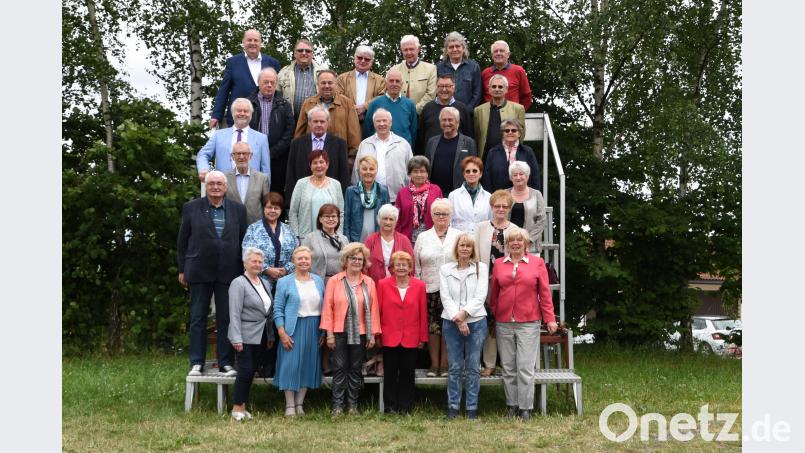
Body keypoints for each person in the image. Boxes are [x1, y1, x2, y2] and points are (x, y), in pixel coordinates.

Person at [177, 170, 247, 377]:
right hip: (199, 269)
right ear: (206, 187)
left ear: (225, 187)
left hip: (229, 271)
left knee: (226, 318)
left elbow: (244, 240)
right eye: (211, 184)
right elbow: (182, 241)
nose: (215, 187)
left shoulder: (238, 209)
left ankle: (225, 362)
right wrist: (182, 268)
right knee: (198, 317)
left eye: (219, 184)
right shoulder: (191, 208)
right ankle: (196, 362)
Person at [489, 227, 558, 421]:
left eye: (520, 241)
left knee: (525, 367)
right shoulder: (500, 264)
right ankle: (512, 405)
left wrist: (550, 318)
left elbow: (544, 293)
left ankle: (526, 408)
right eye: (512, 241)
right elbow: (494, 294)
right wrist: (493, 318)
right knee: (509, 367)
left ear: (526, 244)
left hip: (528, 321)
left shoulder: (537, 263)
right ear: (507, 244)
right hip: (503, 321)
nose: (516, 244)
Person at [320, 243, 382, 415]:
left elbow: (374, 309)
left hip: (361, 333)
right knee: (339, 368)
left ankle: (353, 405)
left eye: (359, 259)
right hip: (339, 332)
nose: (356, 261)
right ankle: (337, 406)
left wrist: (372, 336)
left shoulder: (368, 282)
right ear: (345, 260)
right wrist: (329, 334)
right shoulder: (335, 280)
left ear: (364, 263)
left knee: (355, 369)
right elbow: (328, 307)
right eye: (352, 258)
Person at [273, 246, 326, 417]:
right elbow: (278, 309)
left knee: (308, 365)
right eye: (300, 258)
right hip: (292, 328)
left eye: (307, 258)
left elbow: (325, 307)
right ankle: (289, 405)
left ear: (311, 261)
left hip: (314, 328)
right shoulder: (284, 282)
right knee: (290, 365)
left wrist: (324, 332)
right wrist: (282, 332)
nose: (303, 261)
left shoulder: (318, 281)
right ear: (293, 261)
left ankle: (300, 404)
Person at [439, 234, 488, 419]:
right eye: (462, 245)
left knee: (474, 366)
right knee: (455, 367)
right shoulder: (445, 269)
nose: (465, 249)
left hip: (476, 322)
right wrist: (458, 319)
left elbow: (480, 295)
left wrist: (464, 315)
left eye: (468, 246)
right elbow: (445, 297)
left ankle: (471, 408)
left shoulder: (480, 268)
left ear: (473, 249)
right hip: (451, 323)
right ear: (456, 248)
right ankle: (452, 407)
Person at [413, 198, 461, 377]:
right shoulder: (423, 237)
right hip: (429, 289)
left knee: (449, 327)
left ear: (451, 216)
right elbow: (416, 267)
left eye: (445, 214)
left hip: (453, 289)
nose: (441, 217)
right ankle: (434, 365)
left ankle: (445, 364)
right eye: (438, 213)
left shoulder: (458, 235)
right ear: (431, 215)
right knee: (433, 328)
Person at [473, 190, 519, 377]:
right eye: (497, 206)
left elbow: (518, 256)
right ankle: (489, 363)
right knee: (486, 323)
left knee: (505, 323)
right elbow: (475, 255)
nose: (500, 209)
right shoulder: (481, 227)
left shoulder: (515, 230)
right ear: (491, 207)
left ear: (509, 209)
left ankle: (509, 364)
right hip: (484, 282)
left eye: (504, 206)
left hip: (507, 283)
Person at [228, 247, 276, 421]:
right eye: (253, 261)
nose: (257, 264)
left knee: (252, 371)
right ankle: (236, 408)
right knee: (245, 370)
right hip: (245, 335)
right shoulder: (238, 283)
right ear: (245, 263)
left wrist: (270, 336)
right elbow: (234, 312)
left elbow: (268, 312)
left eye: (260, 262)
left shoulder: (265, 283)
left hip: (262, 335)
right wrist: (236, 338)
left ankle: (243, 407)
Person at [377, 251, 427, 414]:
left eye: (404, 264)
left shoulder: (419, 285)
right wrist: (377, 333)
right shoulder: (383, 284)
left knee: (407, 373)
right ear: (392, 267)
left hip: (411, 337)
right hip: (389, 335)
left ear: (410, 267)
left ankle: (405, 406)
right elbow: (378, 311)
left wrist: (422, 337)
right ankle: (390, 406)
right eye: (397, 264)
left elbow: (422, 313)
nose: (400, 267)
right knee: (390, 373)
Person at [210, 29, 281, 129]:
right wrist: (216, 115)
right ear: (243, 43)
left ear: (261, 43)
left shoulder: (273, 63)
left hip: (265, 119)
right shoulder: (233, 62)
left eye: (256, 40)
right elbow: (224, 90)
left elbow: (277, 91)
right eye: (249, 40)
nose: (252, 43)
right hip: (239, 117)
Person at [285, 105, 351, 202]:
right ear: (309, 123)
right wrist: (290, 201)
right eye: (315, 121)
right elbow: (291, 173)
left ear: (328, 123)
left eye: (322, 121)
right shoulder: (297, 143)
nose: (319, 124)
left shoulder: (339, 144)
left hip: (330, 197)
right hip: (304, 197)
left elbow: (344, 174)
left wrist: (344, 200)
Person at [197, 98, 271, 181]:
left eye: (246, 111)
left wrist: (265, 191)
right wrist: (203, 169)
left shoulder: (261, 138)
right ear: (232, 113)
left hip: (252, 190)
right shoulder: (218, 135)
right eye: (239, 111)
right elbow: (203, 154)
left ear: (251, 114)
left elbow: (266, 169)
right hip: (224, 188)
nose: (242, 113)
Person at [294, 69, 362, 159]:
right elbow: (299, 133)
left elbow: (354, 132)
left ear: (336, 85)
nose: (327, 86)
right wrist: (298, 153)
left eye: (330, 83)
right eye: (323, 83)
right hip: (313, 157)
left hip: (339, 156)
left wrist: (352, 156)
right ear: (317, 85)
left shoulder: (347, 103)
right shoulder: (308, 103)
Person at [248, 68, 295, 193]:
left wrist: (272, 152)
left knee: (275, 194)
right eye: (266, 82)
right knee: (253, 192)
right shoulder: (248, 104)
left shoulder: (284, 105)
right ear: (258, 82)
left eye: (272, 82)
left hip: (277, 158)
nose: (269, 85)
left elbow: (289, 131)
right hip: (252, 156)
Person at [352, 108, 413, 203]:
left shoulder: (403, 144)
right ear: (374, 123)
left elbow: (410, 172)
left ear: (391, 122)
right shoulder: (365, 144)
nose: (381, 124)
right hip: (369, 198)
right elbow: (356, 172)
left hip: (397, 198)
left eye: (384, 120)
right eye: (378, 121)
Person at [241, 192, 298, 293]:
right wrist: (267, 269)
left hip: (285, 281)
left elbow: (296, 254)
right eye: (269, 207)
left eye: (276, 208)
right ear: (264, 209)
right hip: (259, 281)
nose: (272, 211)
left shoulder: (288, 230)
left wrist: (285, 270)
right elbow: (246, 254)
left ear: (281, 210)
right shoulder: (253, 229)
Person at [288, 151, 344, 239]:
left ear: (327, 164)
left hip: (331, 238)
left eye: (321, 162)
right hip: (305, 237)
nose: (318, 166)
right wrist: (296, 236)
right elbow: (293, 212)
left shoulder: (336, 185)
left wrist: (338, 234)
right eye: (315, 163)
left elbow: (341, 212)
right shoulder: (301, 184)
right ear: (310, 166)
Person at [424, 107, 478, 196]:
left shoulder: (469, 142)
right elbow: (426, 167)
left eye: (450, 120)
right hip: (434, 192)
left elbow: (474, 168)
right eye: (444, 120)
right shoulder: (432, 142)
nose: (447, 123)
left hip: (459, 193)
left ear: (457, 122)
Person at [417, 74, 474, 153]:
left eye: (447, 86)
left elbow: (469, 134)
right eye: (441, 86)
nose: (444, 89)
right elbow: (421, 136)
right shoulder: (428, 108)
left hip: (457, 157)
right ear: (436, 88)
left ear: (454, 88)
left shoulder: (462, 108)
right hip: (432, 156)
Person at [474, 75, 526, 160]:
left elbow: (521, 134)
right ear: (489, 89)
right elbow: (477, 135)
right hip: (485, 158)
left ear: (506, 89)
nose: (497, 89)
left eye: (500, 87)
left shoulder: (518, 109)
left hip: (510, 158)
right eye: (494, 86)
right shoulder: (479, 110)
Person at [482, 118, 541, 193]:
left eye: (513, 130)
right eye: (506, 130)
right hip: (499, 198)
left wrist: (535, 195)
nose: (510, 132)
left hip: (523, 197)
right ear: (502, 133)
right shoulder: (493, 152)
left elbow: (535, 176)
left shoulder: (527, 151)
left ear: (519, 133)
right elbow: (487, 179)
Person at [363, 69, 417, 149]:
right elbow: (367, 130)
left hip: (403, 150)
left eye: (397, 81)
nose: (394, 84)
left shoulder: (410, 105)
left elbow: (413, 131)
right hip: (379, 149)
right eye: (391, 81)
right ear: (386, 83)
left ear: (401, 84)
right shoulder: (374, 104)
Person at [395, 156, 444, 244]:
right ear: (409, 174)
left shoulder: (436, 190)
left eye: (422, 171)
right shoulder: (402, 193)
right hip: (407, 238)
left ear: (427, 174)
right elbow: (397, 218)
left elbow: (443, 214)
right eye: (415, 171)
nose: (419, 175)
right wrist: (399, 237)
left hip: (431, 238)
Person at [277, 38, 328, 120]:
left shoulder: (324, 73)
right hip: (291, 122)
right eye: (300, 50)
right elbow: (276, 99)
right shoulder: (283, 73)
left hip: (317, 122)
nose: (304, 53)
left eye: (307, 51)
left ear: (312, 54)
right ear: (294, 54)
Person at [364, 204, 415, 284]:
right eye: (385, 219)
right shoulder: (370, 240)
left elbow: (411, 266)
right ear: (379, 220)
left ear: (396, 222)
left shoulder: (404, 240)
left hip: (399, 286)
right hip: (374, 285)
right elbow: (364, 266)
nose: (388, 222)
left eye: (391, 219)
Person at [344, 156, 390, 242]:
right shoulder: (350, 191)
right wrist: (347, 240)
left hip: (377, 239)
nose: (368, 172)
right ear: (359, 171)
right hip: (356, 239)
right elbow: (346, 218)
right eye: (364, 169)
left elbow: (387, 217)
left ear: (376, 171)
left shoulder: (383, 191)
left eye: (371, 169)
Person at [337, 45, 387, 125]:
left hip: (372, 122)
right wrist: (353, 109)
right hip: (347, 121)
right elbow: (338, 96)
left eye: (367, 59)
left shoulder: (380, 80)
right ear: (354, 58)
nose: (363, 61)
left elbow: (382, 97)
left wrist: (365, 107)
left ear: (372, 62)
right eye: (359, 58)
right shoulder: (342, 78)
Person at [302, 204, 349, 286]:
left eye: (334, 216)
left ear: (338, 219)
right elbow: (301, 261)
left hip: (340, 283)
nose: (331, 219)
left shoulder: (344, 239)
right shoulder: (310, 238)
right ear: (320, 219)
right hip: (317, 283)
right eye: (327, 216)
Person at [224, 142, 270, 224]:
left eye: (244, 153)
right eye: (238, 153)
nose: (241, 157)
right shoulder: (224, 178)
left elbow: (266, 205)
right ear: (232, 156)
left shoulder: (262, 178)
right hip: (231, 226)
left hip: (255, 227)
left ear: (250, 156)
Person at [435, 31, 482, 111]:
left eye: (457, 46)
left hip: (467, 114)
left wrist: (467, 110)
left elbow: (477, 93)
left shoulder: (473, 67)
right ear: (446, 50)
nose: (455, 49)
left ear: (463, 48)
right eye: (451, 47)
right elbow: (435, 92)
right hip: (443, 114)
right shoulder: (439, 68)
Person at [506, 161, 546, 253]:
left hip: (530, 247)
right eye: (515, 175)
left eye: (521, 174)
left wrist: (529, 239)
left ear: (527, 176)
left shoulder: (536, 194)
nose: (518, 177)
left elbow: (541, 220)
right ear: (511, 178)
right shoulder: (504, 194)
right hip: (508, 246)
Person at [480, 40, 533, 110]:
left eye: (501, 51)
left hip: (512, 117)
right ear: (492, 55)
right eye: (495, 51)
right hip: (489, 116)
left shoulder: (518, 71)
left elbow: (526, 96)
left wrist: (518, 112)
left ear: (508, 54)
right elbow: (480, 97)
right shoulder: (485, 73)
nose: (498, 53)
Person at [391, 35, 437, 114]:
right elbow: (389, 92)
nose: (409, 52)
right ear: (401, 51)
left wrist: (413, 111)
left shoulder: (431, 69)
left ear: (418, 49)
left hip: (422, 116)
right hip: (397, 114)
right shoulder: (393, 70)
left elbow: (431, 95)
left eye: (411, 49)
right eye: (405, 50)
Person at [448, 156, 491, 233]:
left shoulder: (489, 197)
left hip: (481, 239)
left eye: (475, 171)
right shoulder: (453, 195)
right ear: (464, 174)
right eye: (468, 171)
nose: (471, 174)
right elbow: (449, 221)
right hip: (459, 240)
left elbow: (491, 222)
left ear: (480, 174)